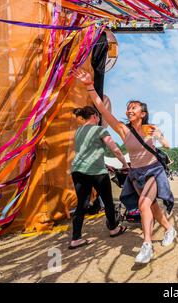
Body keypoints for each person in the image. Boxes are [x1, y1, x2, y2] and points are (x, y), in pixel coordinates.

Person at [75, 69, 177, 264]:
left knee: (143, 204)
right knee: (153, 206)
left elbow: (167, 145)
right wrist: (89, 86)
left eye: (134, 107)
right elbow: (103, 110)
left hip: (153, 171)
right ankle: (170, 229)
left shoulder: (150, 128)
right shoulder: (123, 130)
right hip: (136, 173)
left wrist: (160, 138)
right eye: (128, 107)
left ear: (143, 113)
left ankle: (147, 245)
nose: (130, 109)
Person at [69, 106, 129, 250]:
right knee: (108, 201)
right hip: (96, 172)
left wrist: (105, 164)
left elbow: (87, 153)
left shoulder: (78, 131)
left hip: (78, 170)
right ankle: (114, 229)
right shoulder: (100, 130)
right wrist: (125, 164)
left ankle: (76, 238)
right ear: (95, 116)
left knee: (81, 204)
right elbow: (115, 149)